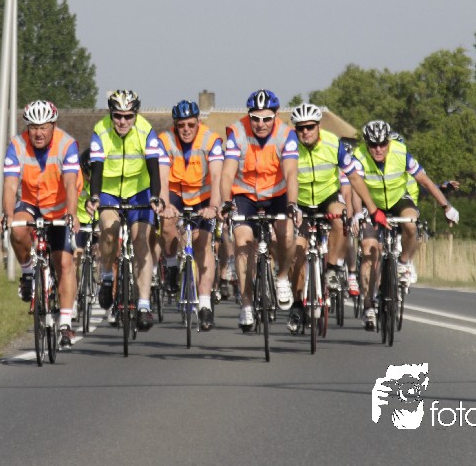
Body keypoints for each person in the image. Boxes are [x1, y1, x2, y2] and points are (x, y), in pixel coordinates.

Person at [285, 103, 386, 333]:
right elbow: (288, 175)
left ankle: (331, 268)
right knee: (296, 252)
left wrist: (373, 210)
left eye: (310, 127)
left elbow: (355, 178)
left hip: (326, 197)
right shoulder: (290, 145)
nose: (305, 132)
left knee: (341, 219)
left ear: (318, 126)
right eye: (300, 128)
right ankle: (297, 304)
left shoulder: (334, 144)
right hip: (300, 200)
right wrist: (291, 205)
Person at [353, 120, 459, 330]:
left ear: (389, 142)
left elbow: (425, 181)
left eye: (383, 144)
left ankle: (403, 262)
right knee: (368, 249)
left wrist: (447, 207)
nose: (378, 149)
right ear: (366, 144)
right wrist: (357, 213)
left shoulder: (401, 153)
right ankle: (368, 305)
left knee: (411, 224)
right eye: (373, 145)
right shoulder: (358, 157)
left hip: (397, 199)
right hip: (371, 203)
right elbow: (356, 188)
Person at [0, 99, 82, 348]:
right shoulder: (17, 145)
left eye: (43, 127)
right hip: (31, 203)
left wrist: (72, 214)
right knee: (17, 229)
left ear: (53, 125)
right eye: (33, 127)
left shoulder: (67, 144)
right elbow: (10, 184)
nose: (38, 133)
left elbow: (70, 183)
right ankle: (27, 273)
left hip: (59, 207)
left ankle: (65, 322)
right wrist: (7, 215)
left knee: (64, 263)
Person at [84, 89, 166, 332]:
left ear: (135, 115)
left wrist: (155, 196)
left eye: (128, 116)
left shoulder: (146, 131)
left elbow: (154, 169)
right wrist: (95, 196)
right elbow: (96, 170)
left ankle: (143, 305)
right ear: (111, 114)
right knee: (109, 232)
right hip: (109, 190)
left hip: (140, 190)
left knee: (141, 241)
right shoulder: (100, 131)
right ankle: (107, 276)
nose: (122, 121)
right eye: (117, 116)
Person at [219, 88, 301, 332]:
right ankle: (246, 303)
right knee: (242, 242)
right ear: (249, 116)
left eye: (267, 118)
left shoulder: (286, 135)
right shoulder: (237, 132)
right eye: (255, 118)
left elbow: (291, 173)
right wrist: (226, 202)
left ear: (276, 115)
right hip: (245, 194)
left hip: (277, 193)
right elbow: (227, 173)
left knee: (287, 235)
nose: (261, 124)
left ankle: (282, 277)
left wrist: (292, 203)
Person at [158, 99, 224, 332]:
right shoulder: (165, 141)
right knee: (166, 223)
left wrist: (213, 207)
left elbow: (217, 178)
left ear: (198, 122)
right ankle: (171, 264)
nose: (186, 129)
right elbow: (162, 179)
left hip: (203, 194)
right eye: (181, 125)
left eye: (191, 124)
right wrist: (165, 205)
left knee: (203, 244)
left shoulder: (211, 140)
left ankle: (205, 305)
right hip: (176, 191)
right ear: (175, 125)